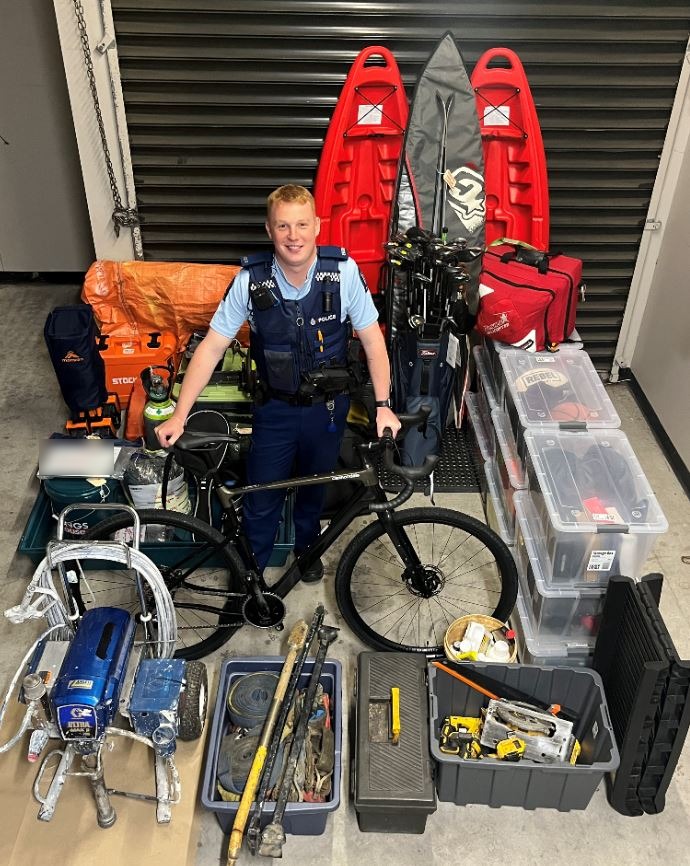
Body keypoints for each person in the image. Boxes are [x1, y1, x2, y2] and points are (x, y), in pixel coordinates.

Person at [156, 184, 401, 582]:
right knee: (262, 494)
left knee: (314, 489)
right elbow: (211, 347)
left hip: (327, 411)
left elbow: (373, 341)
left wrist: (384, 405)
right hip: (275, 411)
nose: (294, 236)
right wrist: (180, 416)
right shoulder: (250, 280)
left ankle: (307, 548)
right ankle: (250, 571)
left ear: (317, 226)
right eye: (283, 225)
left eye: (302, 224)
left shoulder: (342, 273)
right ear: (269, 230)